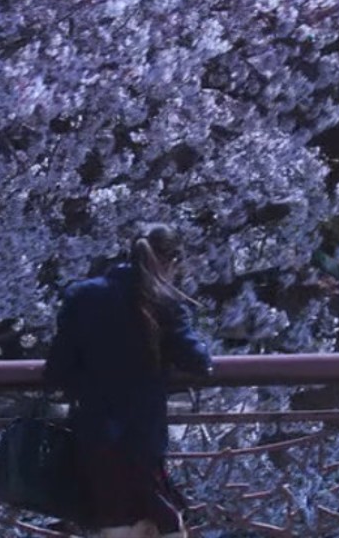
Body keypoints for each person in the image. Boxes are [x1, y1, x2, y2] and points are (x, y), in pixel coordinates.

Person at [44, 223, 214, 538]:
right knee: (162, 522)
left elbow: (57, 369)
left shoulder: (82, 295)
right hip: (141, 434)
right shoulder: (163, 301)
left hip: (95, 432)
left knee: (116, 521)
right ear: (172, 262)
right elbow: (198, 361)